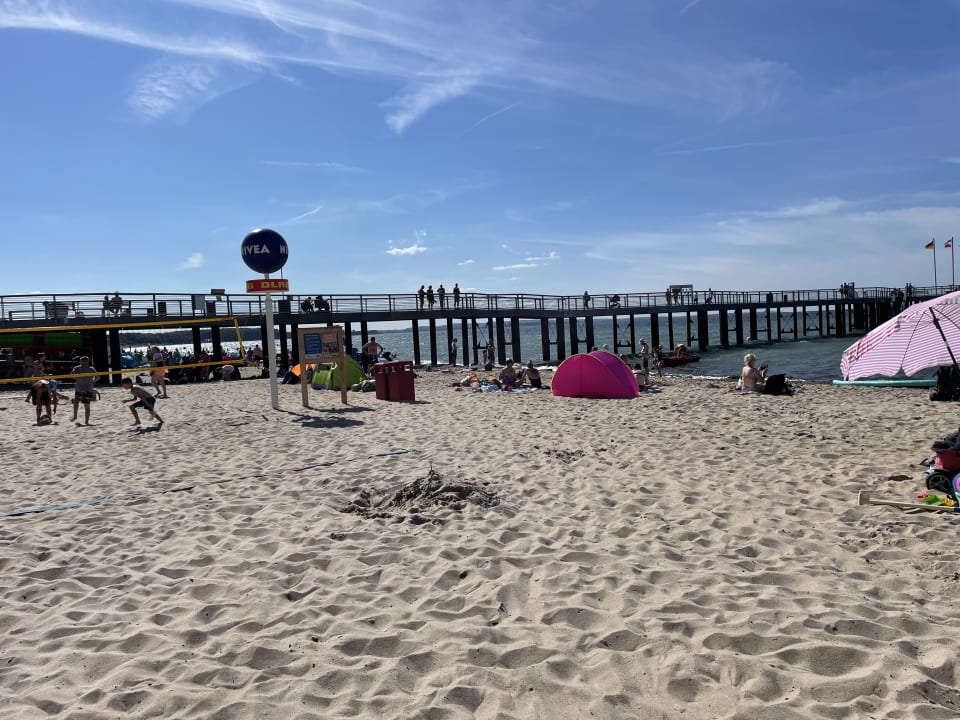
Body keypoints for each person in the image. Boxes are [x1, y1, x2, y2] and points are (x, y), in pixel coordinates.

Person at [71, 355, 97, 425]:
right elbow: (98, 376)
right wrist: (93, 381)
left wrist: (78, 379)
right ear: (88, 361)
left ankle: (75, 416)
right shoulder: (91, 368)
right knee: (87, 405)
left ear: (80, 362)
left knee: (76, 402)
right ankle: (86, 421)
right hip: (88, 389)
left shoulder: (77, 368)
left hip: (79, 388)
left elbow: (72, 375)